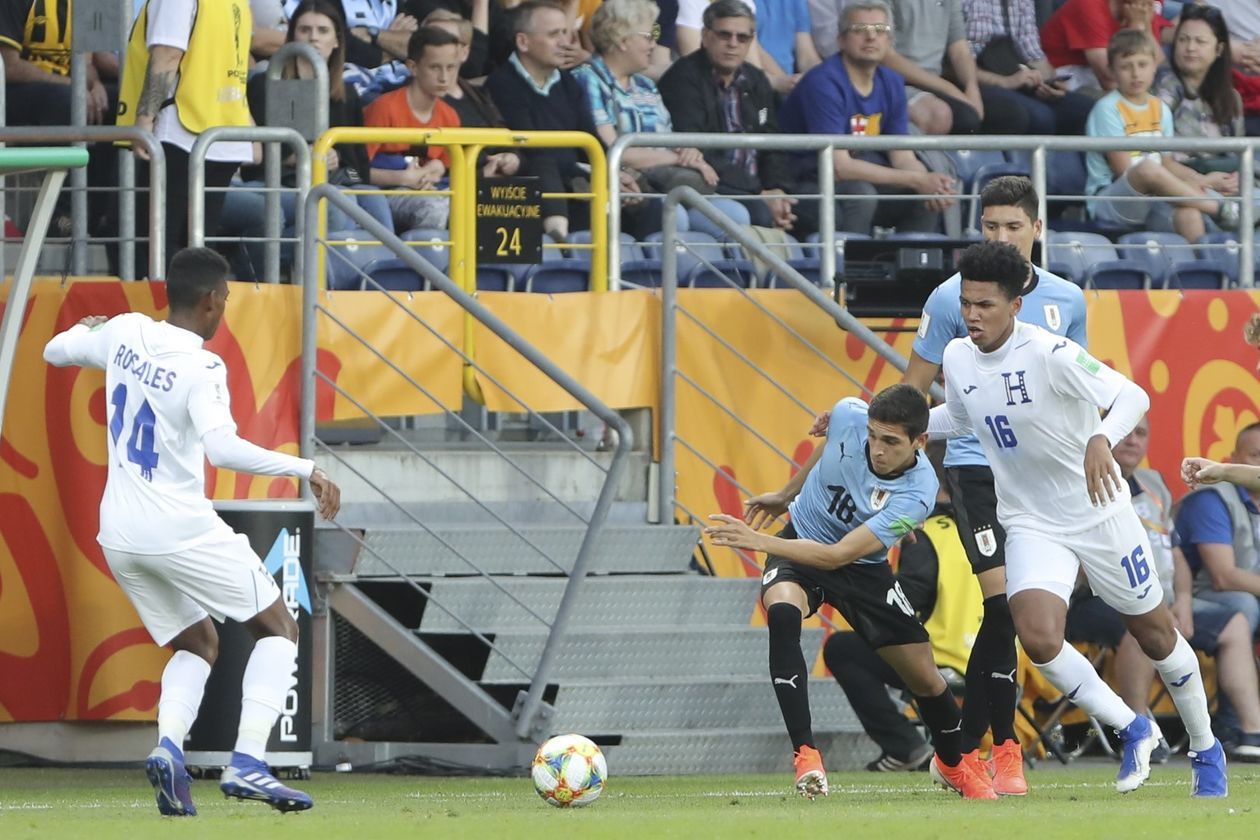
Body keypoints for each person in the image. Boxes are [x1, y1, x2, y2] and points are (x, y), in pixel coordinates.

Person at [41, 247, 342, 816]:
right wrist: (307, 467)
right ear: (209, 301)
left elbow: (54, 351)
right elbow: (223, 447)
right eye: (225, 298)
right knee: (279, 627)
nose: (225, 307)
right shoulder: (202, 366)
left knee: (198, 642)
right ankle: (249, 763)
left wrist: (90, 327)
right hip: (178, 527)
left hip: (120, 535)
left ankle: (169, 750)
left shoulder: (126, 332)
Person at [929, 239, 1226, 797]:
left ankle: (1207, 748)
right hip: (1033, 521)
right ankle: (1133, 727)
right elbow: (962, 416)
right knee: (1038, 635)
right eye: (967, 303)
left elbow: (1133, 397)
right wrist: (914, 425)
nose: (972, 315)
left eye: (985, 304)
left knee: (1157, 634)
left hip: (1097, 514)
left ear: (1015, 305)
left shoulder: (1051, 353)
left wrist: (1100, 437)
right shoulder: (957, 357)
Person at [705, 384, 998, 801]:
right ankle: (806, 754)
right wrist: (786, 496)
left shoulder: (917, 494)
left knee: (927, 680)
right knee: (783, 610)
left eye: (891, 442)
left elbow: (838, 556)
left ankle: (951, 764)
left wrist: (759, 541)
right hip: (800, 545)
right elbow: (831, 449)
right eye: (873, 436)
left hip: (860, 569)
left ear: (919, 441)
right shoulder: (847, 415)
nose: (876, 449)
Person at [906, 175, 1085, 795]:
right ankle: (1004, 750)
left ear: (1038, 229)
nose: (1002, 238)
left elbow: (1078, 392)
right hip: (975, 463)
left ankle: (955, 747)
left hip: (1040, 473)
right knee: (1001, 601)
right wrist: (896, 448)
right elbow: (913, 388)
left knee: (1009, 610)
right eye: (990, 227)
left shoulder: (1068, 300)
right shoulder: (950, 297)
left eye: (1013, 226)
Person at [1101, 417, 1260, 763]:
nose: (1132, 440)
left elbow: (1175, 553)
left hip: (1169, 600)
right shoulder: (1083, 480)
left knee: (1234, 619)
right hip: (1106, 598)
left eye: (1141, 432)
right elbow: (1224, 574)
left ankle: (1251, 731)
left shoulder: (1154, 485)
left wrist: (1184, 601)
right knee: (1144, 620)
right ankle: (1136, 730)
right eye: (1124, 431)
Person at [824, 451, 985, 773]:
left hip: (941, 659)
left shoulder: (926, 533)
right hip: (991, 662)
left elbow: (904, 603)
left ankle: (905, 745)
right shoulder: (985, 528)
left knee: (841, 648)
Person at [221, 0, 394, 278]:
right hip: (277, 183)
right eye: (305, 29)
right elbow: (254, 161)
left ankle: (379, 282)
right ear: (292, 37)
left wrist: (337, 162)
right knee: (334, 209)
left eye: (323, 30)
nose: (313, 37)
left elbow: (358, 170)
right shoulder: (266, 85)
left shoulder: (347, 96)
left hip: (331, 182)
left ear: (337, 41)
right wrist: (297, 158)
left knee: (372, 200)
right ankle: (256, 262)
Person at [574, 0, 752, 238]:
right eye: (649, 35)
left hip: (668, 182)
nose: (654, 44)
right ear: (621, 39)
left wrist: (689, 153)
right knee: (673, 216)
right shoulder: (587, 79)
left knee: (736, 214)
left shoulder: (646, 85)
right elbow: (615, 150)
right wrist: (677, 158)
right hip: (628, 185)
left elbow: (669, 139)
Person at [778, 0, 954, 236]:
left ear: (889, 42)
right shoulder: (823, 82)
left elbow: (902, 155)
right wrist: (916, 179)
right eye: (860, 30)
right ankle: (852, 270)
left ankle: (914, 270)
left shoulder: (891, 81)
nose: (871, 37)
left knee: (923, 196)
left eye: (880, 31)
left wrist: (928, 183)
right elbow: (839, 167)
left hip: (859, 174)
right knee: (862, 195)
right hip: (807, 179)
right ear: (841, 40)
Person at [117, 0, 255, 277]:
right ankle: (196, 316)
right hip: (224, 131)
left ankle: (170, 317)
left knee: (156, 242)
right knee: (198, 244)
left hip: (181, 128)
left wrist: (144, 119)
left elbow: (167, 55)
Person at [657, 0, 798, 231]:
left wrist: (777, 189)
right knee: (761, 214)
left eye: (742, 38)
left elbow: (770, 137)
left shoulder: (757, 81)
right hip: (713, 186)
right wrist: (758, 193)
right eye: (725, 35)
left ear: (750, 42)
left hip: (758, 189)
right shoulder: (682, 79)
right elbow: (699, 149)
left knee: (812, 212)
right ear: (705, 35)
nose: (733, 44)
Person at [1085, 29, 1237, 242]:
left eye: (1142, 65)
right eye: (1126, 67)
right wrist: (1184, 189)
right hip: (1113, 199)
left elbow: (1167, 164)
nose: (1136, 74)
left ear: (1155, 65)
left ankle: (1206, 273)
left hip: (1155, 197)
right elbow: (1126, 171)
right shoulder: (1107, 108)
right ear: (1111, 70)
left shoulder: (1160, 108)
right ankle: (1221, 209)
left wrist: (1203, 181)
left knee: (1189, 214)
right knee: (1146, 168)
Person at [364, 26, 465, 231]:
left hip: (432, 191)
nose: (444, 77)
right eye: (435, 67)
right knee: (434, 209)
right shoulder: (385, 107)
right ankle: (418, 263)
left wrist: (436, 169)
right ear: (413, 67)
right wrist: (402, 178)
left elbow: (445, 168)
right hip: (382, 196)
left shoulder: (450, 115)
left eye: (451, 67)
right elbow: (354, 171)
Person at [879, 0, 1028, 136]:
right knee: (962, 117)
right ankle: (939, 165)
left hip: (935, 84)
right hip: (895, 83)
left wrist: (972, 89)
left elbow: (960, 50)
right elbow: (886, 56)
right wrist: (950, 90)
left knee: (1011, 115)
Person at [1156, 4, 1248, 204]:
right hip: (1178, 187)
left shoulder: (1231, 98)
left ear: (1219, 49)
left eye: (1200, 41)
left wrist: (1234, 181)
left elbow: (1237, 156)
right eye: (1183, 39)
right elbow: (1156, 159)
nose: (1190, 48)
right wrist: (1205, 181)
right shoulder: (1162, 88)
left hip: (1226, 186)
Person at [961, 0, 1095, 135]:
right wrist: (1004, 82)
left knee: (1086, 109)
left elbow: (1032, 51)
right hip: (974, 78)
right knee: (1040, 117)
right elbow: (958, 63)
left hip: (1013, 71)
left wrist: (1051, 82)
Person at [1177, 426, 1260, 642]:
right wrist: (1222, 471)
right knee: (1245, 605)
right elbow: (1223, 577)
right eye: (1255, 455)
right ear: (1234, 458)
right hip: (1192, 595)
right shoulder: (1213, 497)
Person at [1040, 0, 1172, 94]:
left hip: (1095, 71)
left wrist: (1145, 26)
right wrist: (1136, 27)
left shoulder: (1141, 6)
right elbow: (1109, 79)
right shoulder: (1089, 4)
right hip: (1057, 74)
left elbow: (1158, 61)